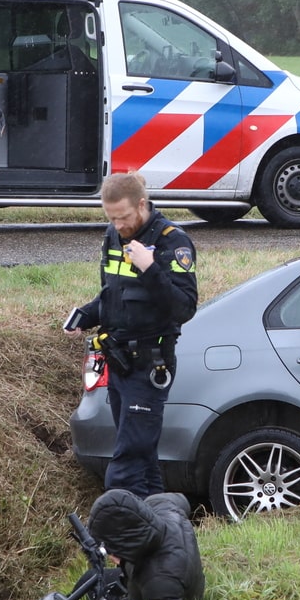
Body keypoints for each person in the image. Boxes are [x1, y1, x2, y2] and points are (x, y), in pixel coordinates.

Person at [64, 172, 198, 496]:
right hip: (119, 362)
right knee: (143, 458)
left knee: (125, 464)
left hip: (151, 364)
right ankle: (162, 530)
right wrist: (85, 315)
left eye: (123, 217)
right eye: (111, 218)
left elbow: (185, 307)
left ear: (141, 205)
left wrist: (150, 268)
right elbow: (112, 295)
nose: (118, 226)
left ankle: (119, 539)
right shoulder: (112, 235)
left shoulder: (172, 241)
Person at [86, 488, 205, 600]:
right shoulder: (162, 507)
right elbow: (183, 500)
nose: (109, 554)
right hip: (183, 573)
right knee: (94, 578)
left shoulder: (159, 579)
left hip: (174, 595)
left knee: (93, 581)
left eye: (110, 548)